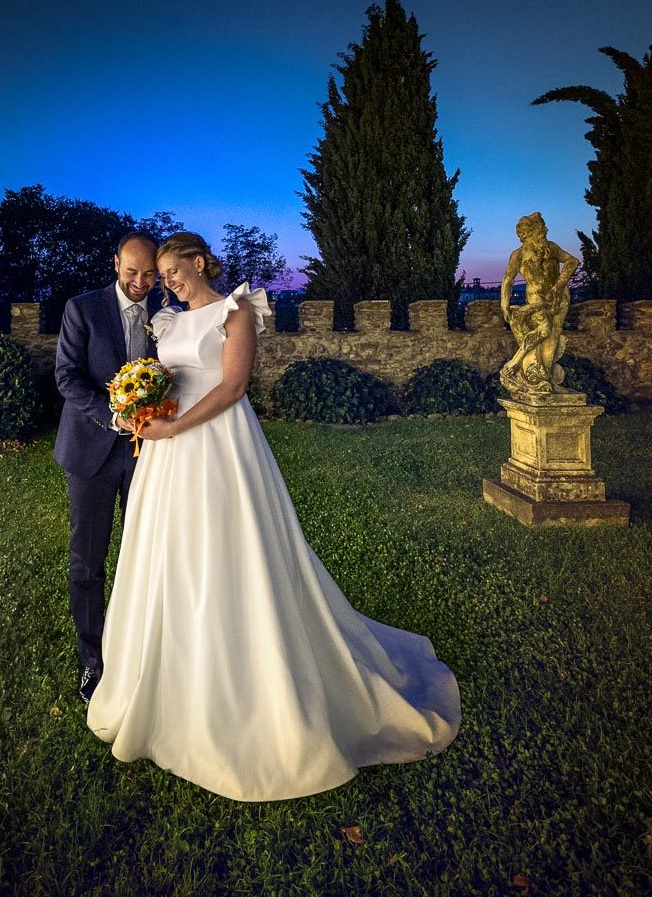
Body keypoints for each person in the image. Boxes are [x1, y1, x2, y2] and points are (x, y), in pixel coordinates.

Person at [87, 231, 461, 801]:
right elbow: (165, 380)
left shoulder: (236, 310)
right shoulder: (164, 322)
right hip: (167, 457)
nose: (169, 283)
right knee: (169, 553)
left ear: (200, 261)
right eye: (162, 276)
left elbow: (234, 387)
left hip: (220, 448)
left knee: (233, 552)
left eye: (175, 270)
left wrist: (174, 427)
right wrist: (145, 412)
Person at [53, 232, 179, 705]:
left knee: (142, 556)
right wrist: (112, 415)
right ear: (115, 265)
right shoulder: (82, 308)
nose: (140, 282)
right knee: (88, 560)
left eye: (149, 274)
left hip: (149, 456)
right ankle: (92, 661)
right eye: (131, 272)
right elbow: (67, 377)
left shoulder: (168, 317)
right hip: (90, 453)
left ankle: (138, 655)